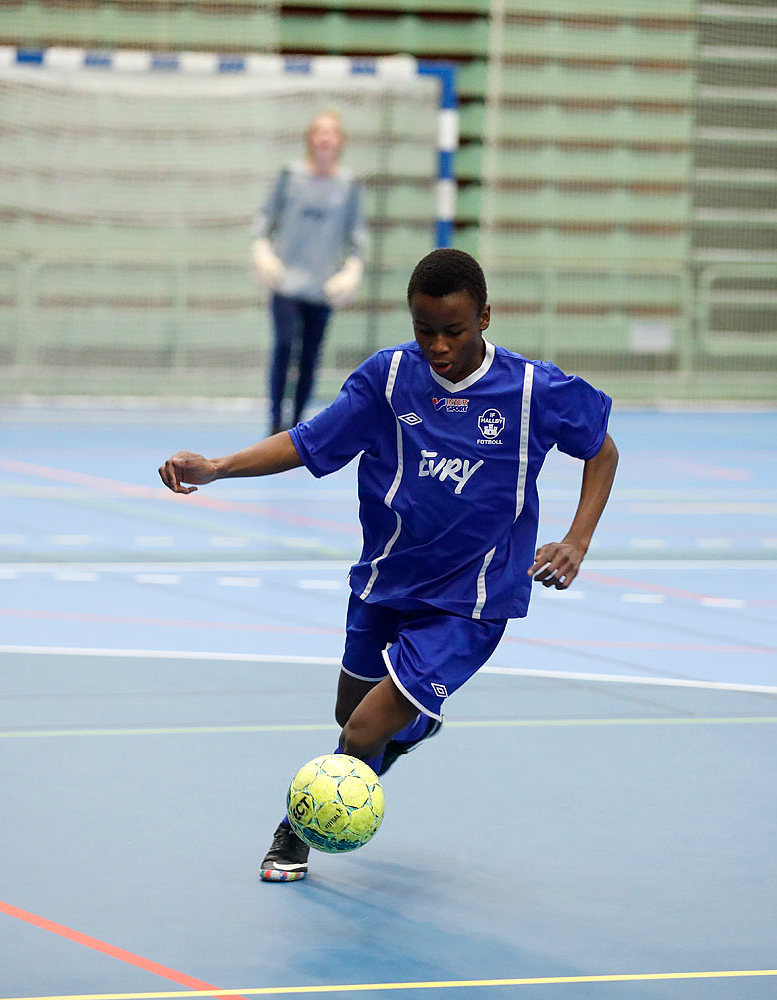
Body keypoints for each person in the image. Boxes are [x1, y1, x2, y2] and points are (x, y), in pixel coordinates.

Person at [159, 248, 619, 882]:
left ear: (485, 316)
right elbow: (306, 441)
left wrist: (578, 539)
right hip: (385, 581)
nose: (437, 345)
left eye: (453, 330)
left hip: (472, 599)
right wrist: (217, 467)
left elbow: (602, 450)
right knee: (354, 719)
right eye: (423, 328)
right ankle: (413, 725)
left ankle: (297, 829)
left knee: (363, 731)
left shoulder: (534, 389)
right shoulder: (386, 380)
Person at [252, 111, 369, 436]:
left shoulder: (349, 187)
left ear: (340, 140)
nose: (325, 137)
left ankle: (297, 424)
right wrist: (262, 251)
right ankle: (275, 421)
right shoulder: (289, 177)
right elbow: (264, 220)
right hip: (286, 283)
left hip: (323, 288)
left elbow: (358, 236)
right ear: (310, 138)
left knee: (309, 356)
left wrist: (352, 268)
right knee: (285, 346)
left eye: (332, 131)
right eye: (319, 130)